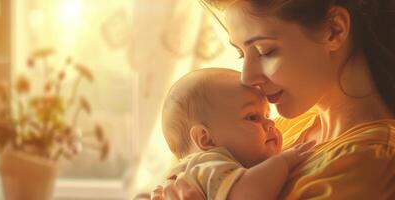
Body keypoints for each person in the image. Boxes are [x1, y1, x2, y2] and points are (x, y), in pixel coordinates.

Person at [152, 0, 395, 199]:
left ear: (334, 30)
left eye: (264, 51)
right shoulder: (284, 128)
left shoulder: (369, 161)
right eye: (240, 54)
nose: (247, 78)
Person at [160, 68, 315, 200]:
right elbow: (248, 195)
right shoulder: (207, 164)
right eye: (252, 117)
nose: (271, 124)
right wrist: (283, 162)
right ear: (206, 139)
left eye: (267, 115)